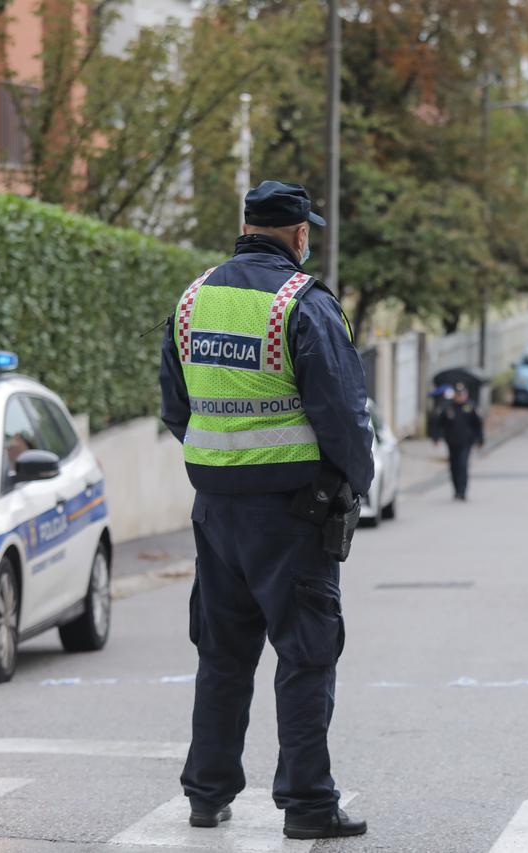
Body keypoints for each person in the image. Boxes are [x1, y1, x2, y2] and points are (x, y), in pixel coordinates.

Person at [159, 180, 374, 841]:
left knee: (222, 655)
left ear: (247, 224)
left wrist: (225, 463)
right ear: (300, 234)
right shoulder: (302, 303)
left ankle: (207, 794)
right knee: (306, 655)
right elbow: (342, 413)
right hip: (292, 515)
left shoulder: (193, 300)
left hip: (216, 512)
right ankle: (307, 803)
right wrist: (354, 485)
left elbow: (176, 407)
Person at [433, 382, 484, 500]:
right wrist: (436, 437)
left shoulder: (471, 407)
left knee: (462, 464)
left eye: (462, 395)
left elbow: (478, 425)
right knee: (454, 466)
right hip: (451, 441)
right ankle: (456, 490)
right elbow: (438, 423)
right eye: (458, 395)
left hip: (466, 442)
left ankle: (462, 491)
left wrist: (480, 439)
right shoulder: (447, 407)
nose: (460, 397)